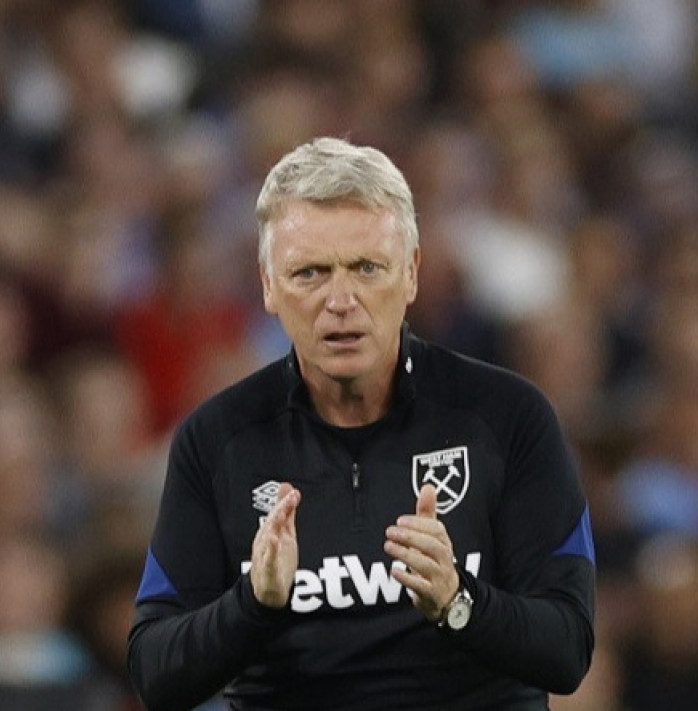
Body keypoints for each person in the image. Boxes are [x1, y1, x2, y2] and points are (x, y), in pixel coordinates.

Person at [127, 137, 595, 710]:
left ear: (411, 274)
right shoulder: (216, 440)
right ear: (268, 285)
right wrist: (252, 604)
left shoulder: (508, 417)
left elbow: (568, 647)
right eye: (309, 273)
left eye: (367, 268)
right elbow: (154, 672)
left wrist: (457, 600)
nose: (341, 300)